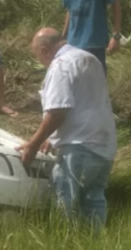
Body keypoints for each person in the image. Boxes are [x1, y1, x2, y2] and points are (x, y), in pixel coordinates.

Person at [18, 28, 117, 227]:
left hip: (78, 146)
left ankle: (67, 247)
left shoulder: (61, 65)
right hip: (104, 143)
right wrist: (52, 136)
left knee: (66, 204)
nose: (41, 61)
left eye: (38, 56)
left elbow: (57, 112)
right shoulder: (89, 58)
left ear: (45, 50)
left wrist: (33, 145)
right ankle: (94, 248)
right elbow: (83, 101)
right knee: (94, 201)